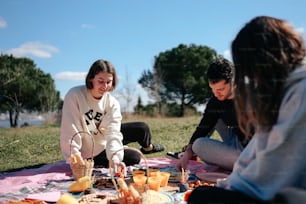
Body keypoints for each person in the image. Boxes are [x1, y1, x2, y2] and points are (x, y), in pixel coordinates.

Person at [188, 16, 306, 204]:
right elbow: (261, 145)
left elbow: (277, 168)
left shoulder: (296, 91)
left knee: (202, 198)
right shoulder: (281, 88)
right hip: (241, 150)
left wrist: (234, 187)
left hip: (286, 190)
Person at [60, 59, 163, 175]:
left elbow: (113, 132)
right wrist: (75, 157)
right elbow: (71, 128)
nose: (105, 86)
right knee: (135, 157)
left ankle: (145, 147)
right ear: (91, 79)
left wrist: (115, 158)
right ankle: (114, 152)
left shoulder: (112, 103)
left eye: (108, 82)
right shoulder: (75, 95)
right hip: (88, 150)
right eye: (100, 81)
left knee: (141, 128)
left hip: (103, 140)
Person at [175, 58, 247, 172]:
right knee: (209, 125)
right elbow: (204, 126)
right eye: (212, 89)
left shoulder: (250, 96)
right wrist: (188, 153)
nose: (216, 94)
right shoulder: (217, 100)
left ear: (234, 82)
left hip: (253, 151)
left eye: (221, 89)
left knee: (199, 145)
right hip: (236, 138)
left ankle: (245, 165)